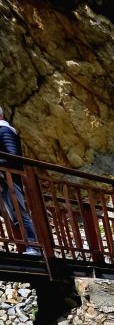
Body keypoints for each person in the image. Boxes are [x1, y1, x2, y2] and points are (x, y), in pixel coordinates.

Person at [0, 107, 40, 255]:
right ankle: (28, 246)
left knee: (20, 213)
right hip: (5, 180)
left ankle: (34, 247)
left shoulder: (5, 131)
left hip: (12, 179)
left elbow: (14, 156)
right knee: (15, 215)